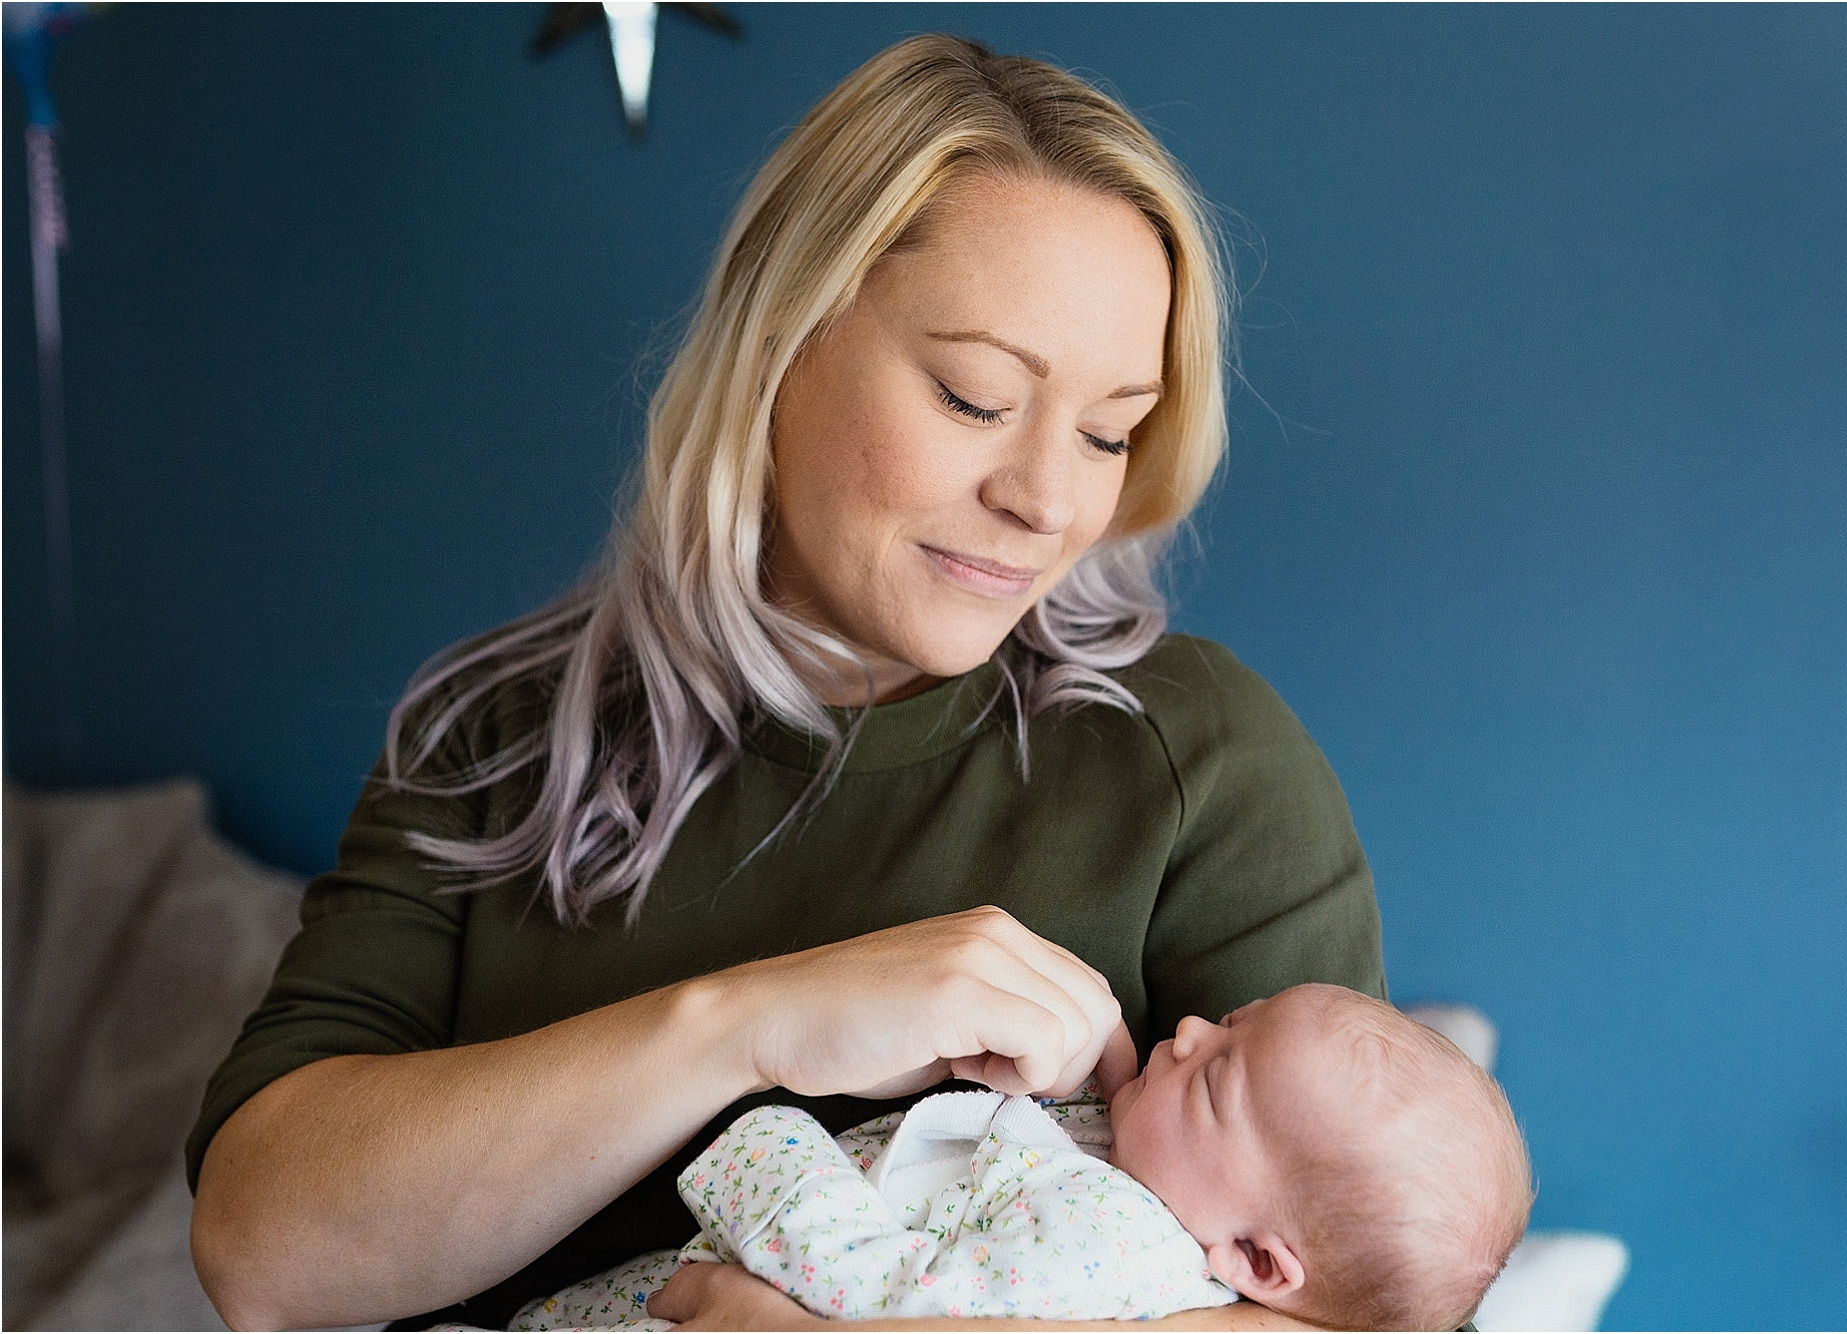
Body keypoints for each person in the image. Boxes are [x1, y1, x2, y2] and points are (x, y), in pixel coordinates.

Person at [187, 34, 1387, 1332]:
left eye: (1109, 430)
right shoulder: (495, 734)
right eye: (976, 396)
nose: (1046, 500)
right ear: (780, 342)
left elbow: (1373, 1304)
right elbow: (261, 1251)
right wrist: (750, 1026)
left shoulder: (1201, 758)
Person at [514, 985, 1530, 1332]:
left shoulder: (1118, 1244)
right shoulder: (1142, 1185)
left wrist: (767, 1142)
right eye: (1224, 1023)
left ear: (1256, 1263)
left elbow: (884, 1298)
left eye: (1215, 1075)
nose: (1183, 1026)